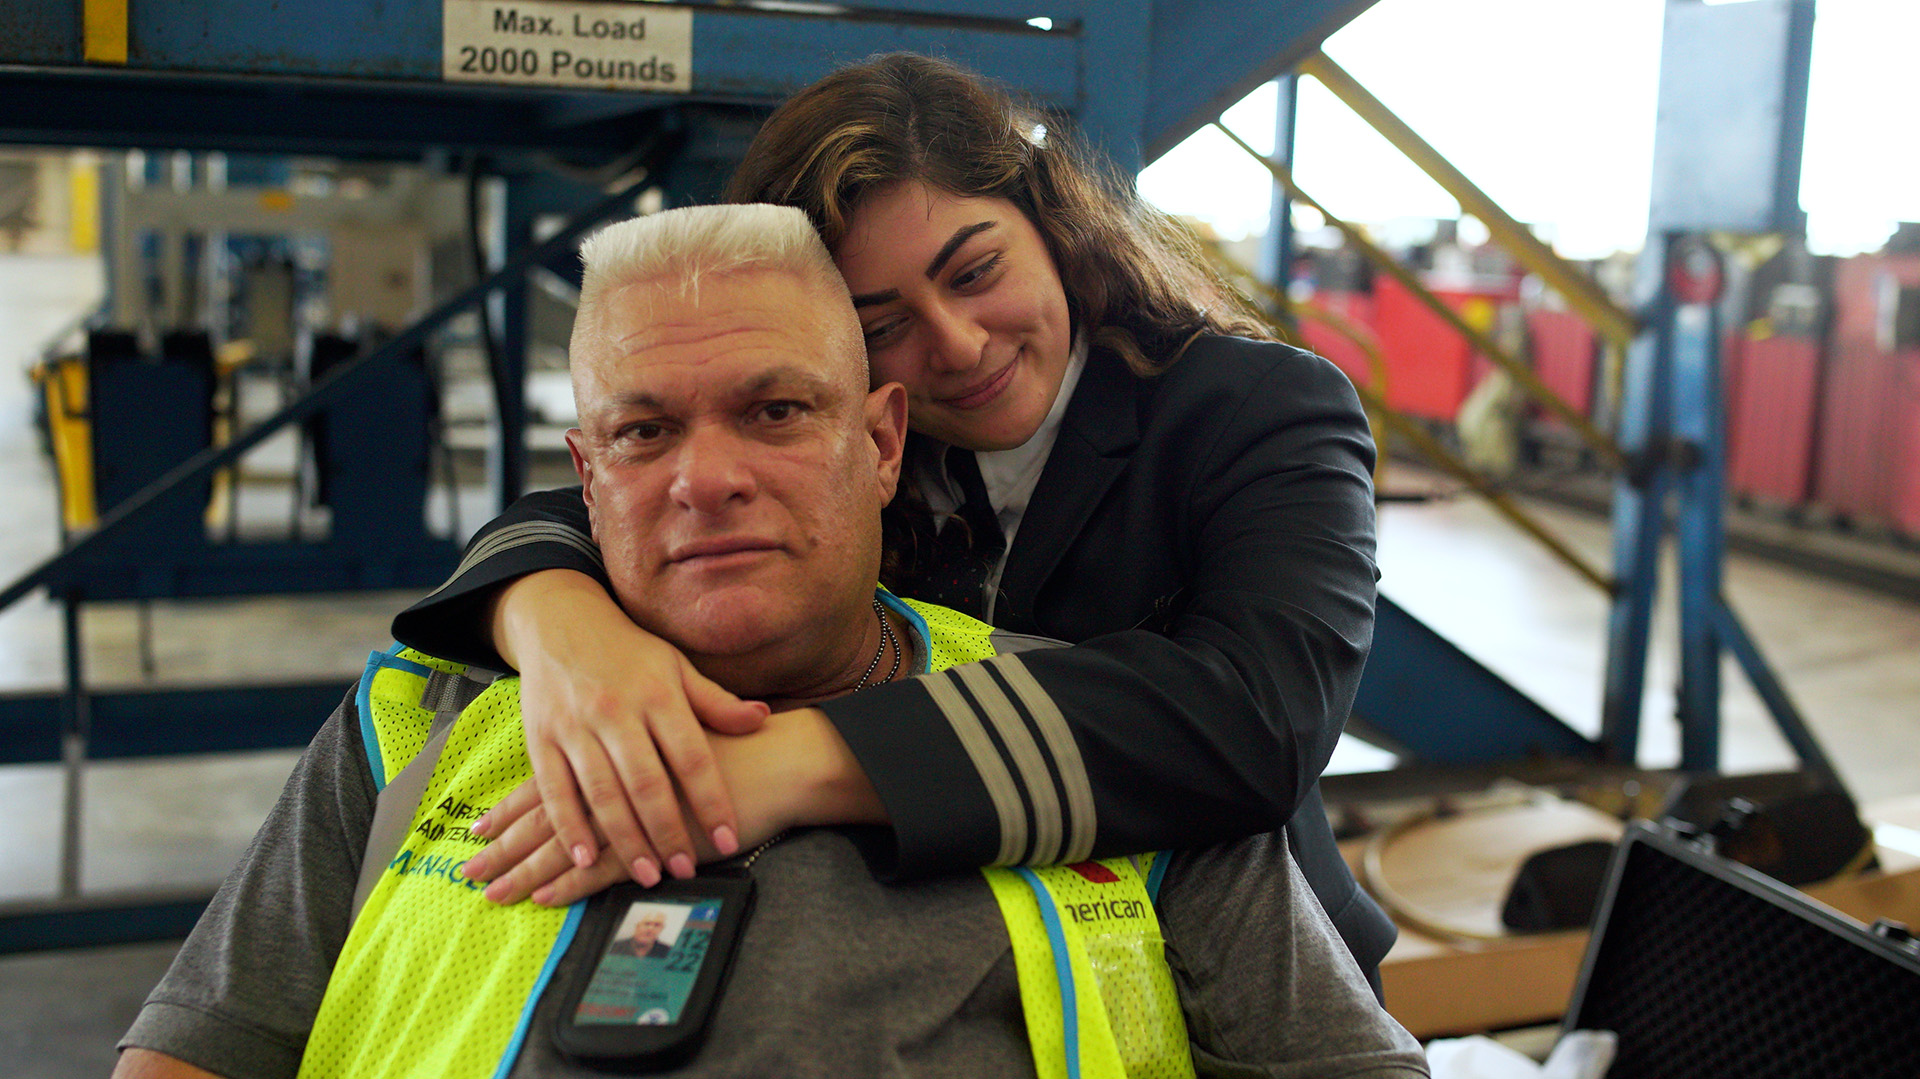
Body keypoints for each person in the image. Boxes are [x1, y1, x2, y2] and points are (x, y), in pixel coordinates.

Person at [113, 204, 1426, 1079]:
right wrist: (541, 609)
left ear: (881, 441)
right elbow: (194, 1049)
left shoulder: (1097, 752)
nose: (706, 478)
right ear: (586, 472)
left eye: (776, 409)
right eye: (644, 431)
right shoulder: (428, 712)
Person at [391, 53, 1395, 987]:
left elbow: (1259, 717)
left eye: (974, 271)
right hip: (981, 934)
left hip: (1238, 964)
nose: (957, 344)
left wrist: (783, 764)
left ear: (1052, 223)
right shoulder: (839, 450)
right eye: (883, 326)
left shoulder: (1256, 409)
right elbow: (614, 496)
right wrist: (560, 626)